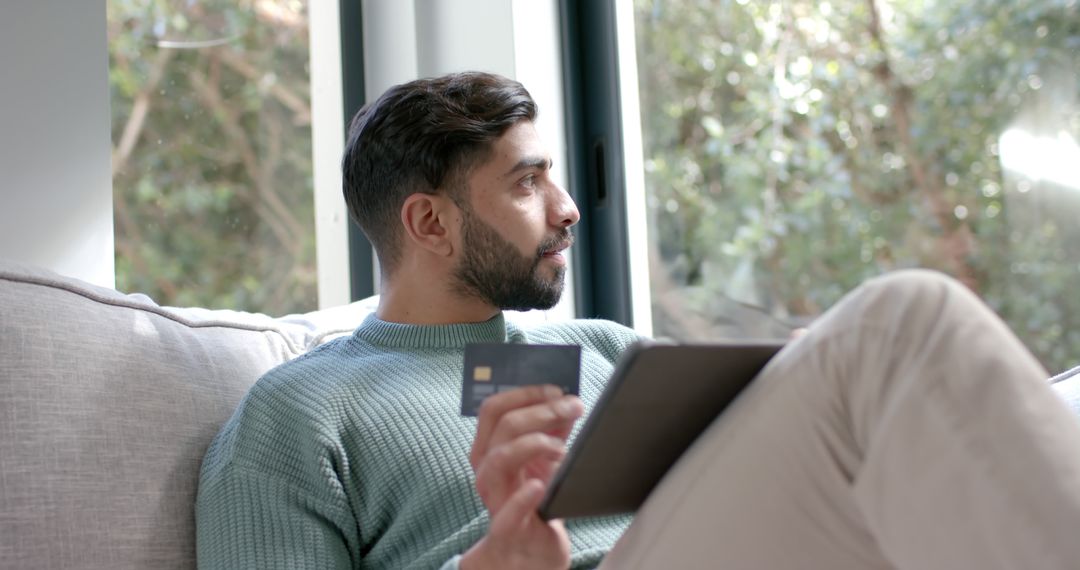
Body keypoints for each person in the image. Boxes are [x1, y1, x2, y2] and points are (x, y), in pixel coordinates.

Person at [195, 71, 1080, 570]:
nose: (570, 208)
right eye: (526, 182)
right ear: (428, 222)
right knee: (905, 316)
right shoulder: (299, 414)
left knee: (884, 366)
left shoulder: (606, 349)